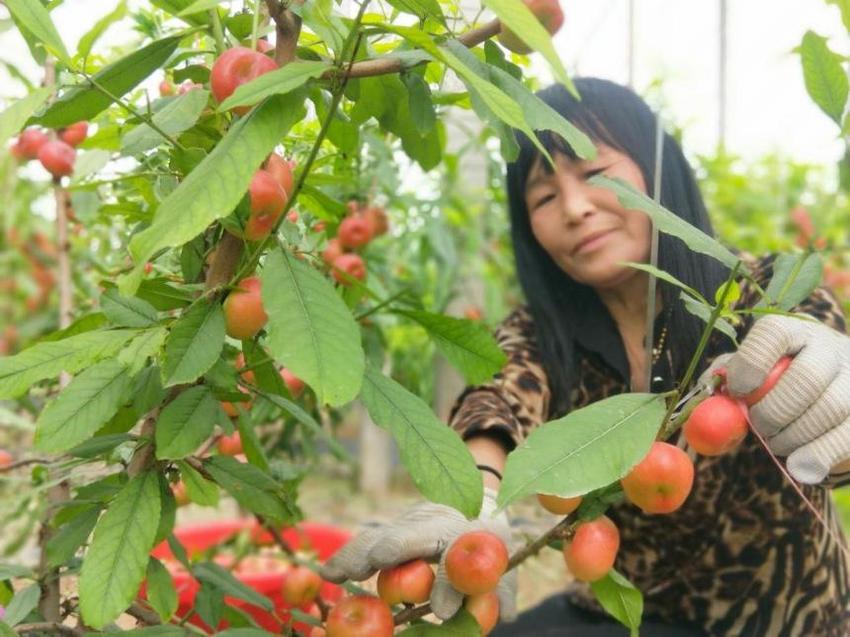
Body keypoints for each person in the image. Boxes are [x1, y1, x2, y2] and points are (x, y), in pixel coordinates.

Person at [320, 78, 850, 636]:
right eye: (544, 196)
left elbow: (827, 400)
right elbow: (498, 399)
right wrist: (474, 502)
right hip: (621, 614)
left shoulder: (767, 295)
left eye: (596, 173)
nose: (574, 208)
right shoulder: (541, 333)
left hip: (783, 621)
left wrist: (835, 389)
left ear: (657, 174)